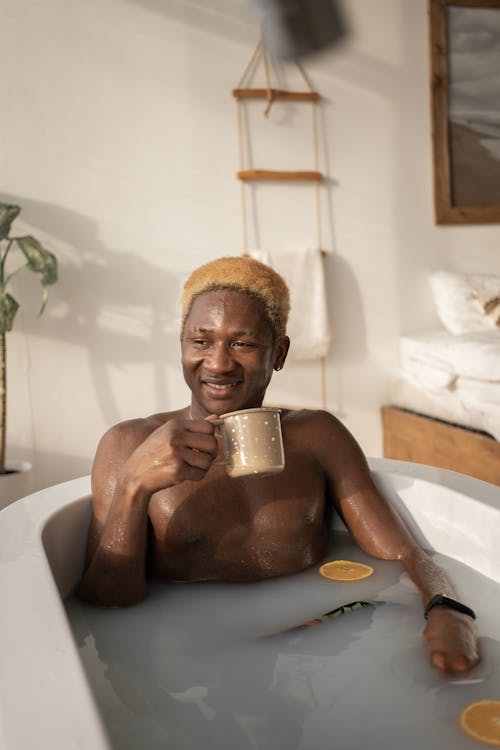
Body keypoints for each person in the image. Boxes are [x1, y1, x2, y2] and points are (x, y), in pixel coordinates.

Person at [78, 255, 479, 675]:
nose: (218, 363)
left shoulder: (318, 437)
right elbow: (107, 603)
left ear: (280, 352)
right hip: (188, 661)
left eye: (243, 343)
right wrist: (133, 486)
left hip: (312, 651)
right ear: (181, 346)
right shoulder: (128, 444)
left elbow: (401, 553)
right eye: (201, 341)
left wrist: (449, 611)